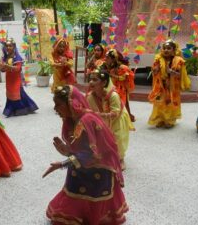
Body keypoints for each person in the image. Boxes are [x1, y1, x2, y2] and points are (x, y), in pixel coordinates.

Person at [43, 85, 128, 224]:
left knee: (88, 192)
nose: (55, 108)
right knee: (74, 184)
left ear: (71, 103)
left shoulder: (86, 121)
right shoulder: (72, 119)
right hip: (82, 164)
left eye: (58, 104)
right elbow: (81, 149)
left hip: (98, 167)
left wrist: (63, 163)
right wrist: (67, 150)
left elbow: (92, 154)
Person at [86, 70, 134, 170]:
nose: (91, 82)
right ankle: (105, 155)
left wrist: (99, 115)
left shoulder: (113, 95)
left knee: (117, 138)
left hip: (117, 118)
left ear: (104, 83)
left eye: (95, 80)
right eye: (90, 79)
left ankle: (120, 159)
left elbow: (115, 113)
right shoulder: (90, 96)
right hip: (103, 119)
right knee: (100, 136)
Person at [148, 40, 190, 128]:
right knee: (160, 103)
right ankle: (160, 119)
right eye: (164, 48)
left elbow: (180, 75)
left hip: (172, 86)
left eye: (169, 48)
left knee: (170, 103)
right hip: (161, 86)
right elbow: (154, 71)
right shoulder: (159, 59)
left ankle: (170, 120)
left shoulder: (178, 61)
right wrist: (155, 70)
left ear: (174, 50)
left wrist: (171, 72)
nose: (166, 50)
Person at [0, 38, 38, 117]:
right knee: (11, 94)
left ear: (14, 47)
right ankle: (15, 109)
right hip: (9, 79)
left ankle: (23, 108)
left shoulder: (17, 57)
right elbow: (3, 70)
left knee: (19, 93)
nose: (8, 48)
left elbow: (18, 68)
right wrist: (0, 67)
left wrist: (7, 66)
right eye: (7, 46)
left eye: (10, 46)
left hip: (16, 79)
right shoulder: (5, 57)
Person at [105, 48, 136, 121]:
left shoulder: (122, 67)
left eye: (108, 58)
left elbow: (127, 76)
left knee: (121, 104)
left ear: (113, 59)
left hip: (121, 89)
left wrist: (114, 76)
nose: (106, 59)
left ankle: (122, 119)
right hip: (114, 88)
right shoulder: (111, 68)